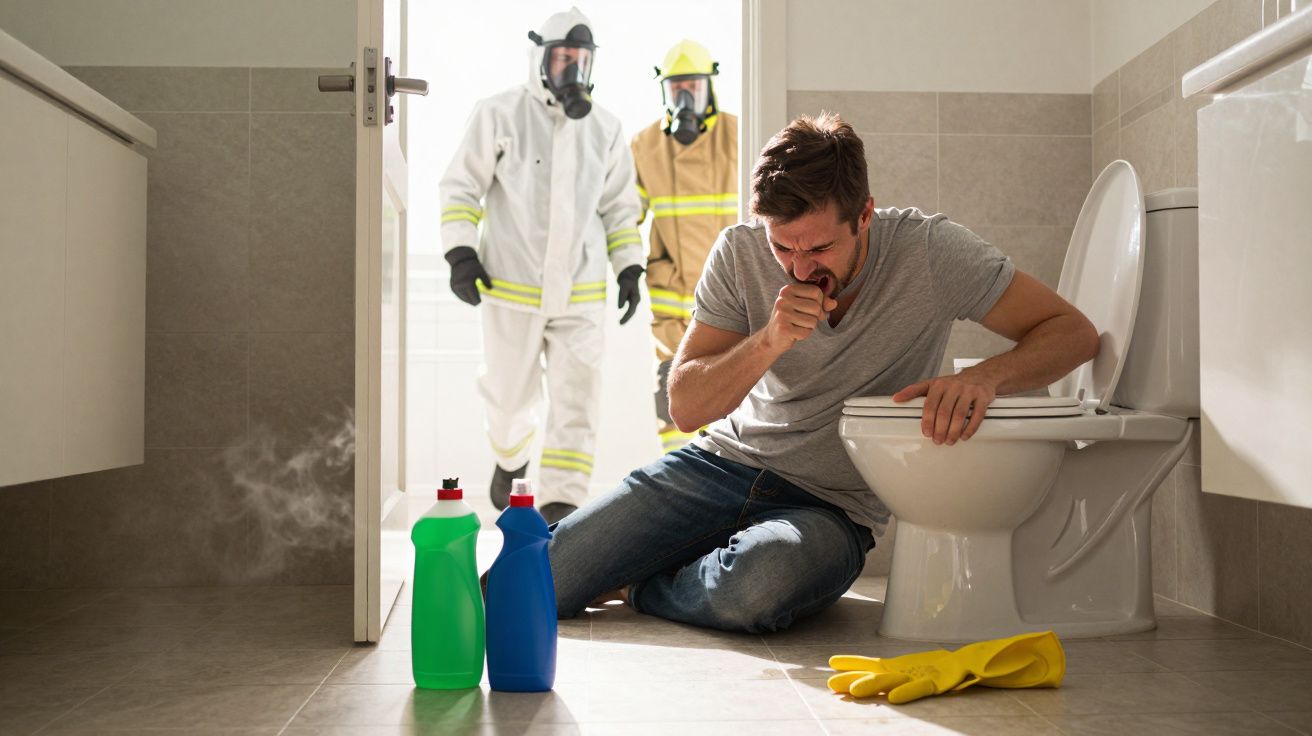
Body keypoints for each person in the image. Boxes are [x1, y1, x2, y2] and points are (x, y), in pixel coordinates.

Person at [546, 113, 1101, 632]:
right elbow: (686, 407)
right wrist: (768, 340)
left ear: (864, 215)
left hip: (829, 508)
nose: (800, 266)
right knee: (543, 579)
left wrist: (985, 377)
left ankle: (642, 586)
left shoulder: (929, 251)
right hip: (721, 467)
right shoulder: (738, 253)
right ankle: (685, 570)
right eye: (783, 246)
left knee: (760, 585)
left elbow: (1073, 332)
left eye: (819, 247)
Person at [439, 7, 644, 525]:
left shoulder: (606, 129)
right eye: (562, 57)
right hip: (511, 287)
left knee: (578, 402)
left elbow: (620, 208)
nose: (572, 69)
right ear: (540, 57)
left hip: (580, 293)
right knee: (508, 400)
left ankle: (560, 508)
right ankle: (510, 460)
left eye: (581, 59)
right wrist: (460, 252)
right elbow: (461, 187)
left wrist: (628, 268)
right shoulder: (499, 114)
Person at [630, 40, 738, 454]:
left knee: (732, 399)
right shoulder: (644, 146)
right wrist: (624, 268)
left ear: (710, 87)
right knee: (673, 403)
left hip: (731, 302)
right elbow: (625, 217)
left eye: (694, 86)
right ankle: (677, 487)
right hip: (672, 307)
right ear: (664, 92)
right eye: (677, 89)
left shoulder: (737, 132)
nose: (686, 98)